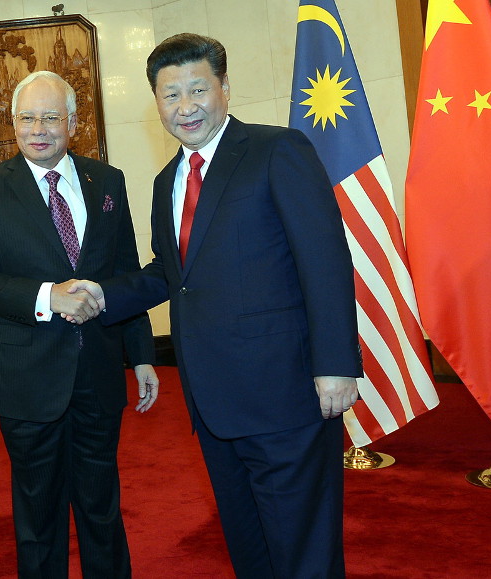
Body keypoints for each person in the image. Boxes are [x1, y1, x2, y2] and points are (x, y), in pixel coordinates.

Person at [69, 33, 362, 578]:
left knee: (302, 546)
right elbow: (170, 273)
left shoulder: (278, 150)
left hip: (287, 393)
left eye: (197, 89)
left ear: (224, 88)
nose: (185, 107)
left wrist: (336, 365)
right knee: (248, 544)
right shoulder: (165, 182)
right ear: (155, 102)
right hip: (211, 398)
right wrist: (105, 294)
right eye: (170, 94)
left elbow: (324, 260)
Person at [0, 70, 159, 578]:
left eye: (50, 117)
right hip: (26, 379)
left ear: (72, 122)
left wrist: (143, 355)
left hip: (99, 371)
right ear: (14, 124)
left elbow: (125, 273)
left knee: (101, 507)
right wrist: (50, 298)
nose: (38, 128)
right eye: (27, 118)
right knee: (38, 516)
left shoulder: (107, 181)